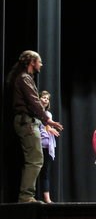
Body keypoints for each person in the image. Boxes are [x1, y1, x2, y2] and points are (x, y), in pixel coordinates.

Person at [6, 50, 63, 203]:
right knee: (36, 159)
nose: (42, 64)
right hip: (27, 122)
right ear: (32, 62)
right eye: (40, 61)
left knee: (33, 159)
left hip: (28, 122)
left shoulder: (24, 78)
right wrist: (47, 120)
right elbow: (34, 102)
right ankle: (26, 197)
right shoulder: (24, 78)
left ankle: (26, 195)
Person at [38, 90, 60, 203]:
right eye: (44, 97)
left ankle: (47, 198)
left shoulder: (49, 114)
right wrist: (49, 128)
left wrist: (52, 129)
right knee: (36, 170)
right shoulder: (35, 111)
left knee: (45, 172)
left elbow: (48, 123)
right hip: (38, 144)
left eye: (47, 98)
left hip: (47, 146)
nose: (46, 100)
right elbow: (43, 125)